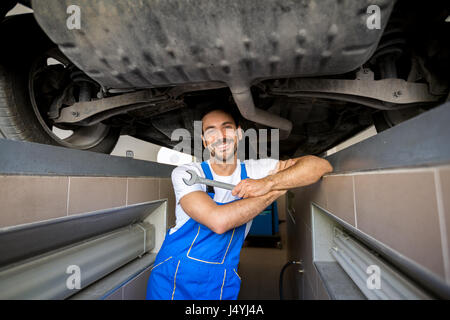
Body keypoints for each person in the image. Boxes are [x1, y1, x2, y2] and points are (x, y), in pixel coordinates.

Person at [146, 106, 333, 300]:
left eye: (226, 127)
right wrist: (276, 189)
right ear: (204, 141)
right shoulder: (187, 173)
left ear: (239, 133)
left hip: (222, 279)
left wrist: (268, 182)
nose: (220, 136)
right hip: (173, 276)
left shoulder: (259, 170)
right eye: (210, 131)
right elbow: (218, 221)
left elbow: (321, 165)